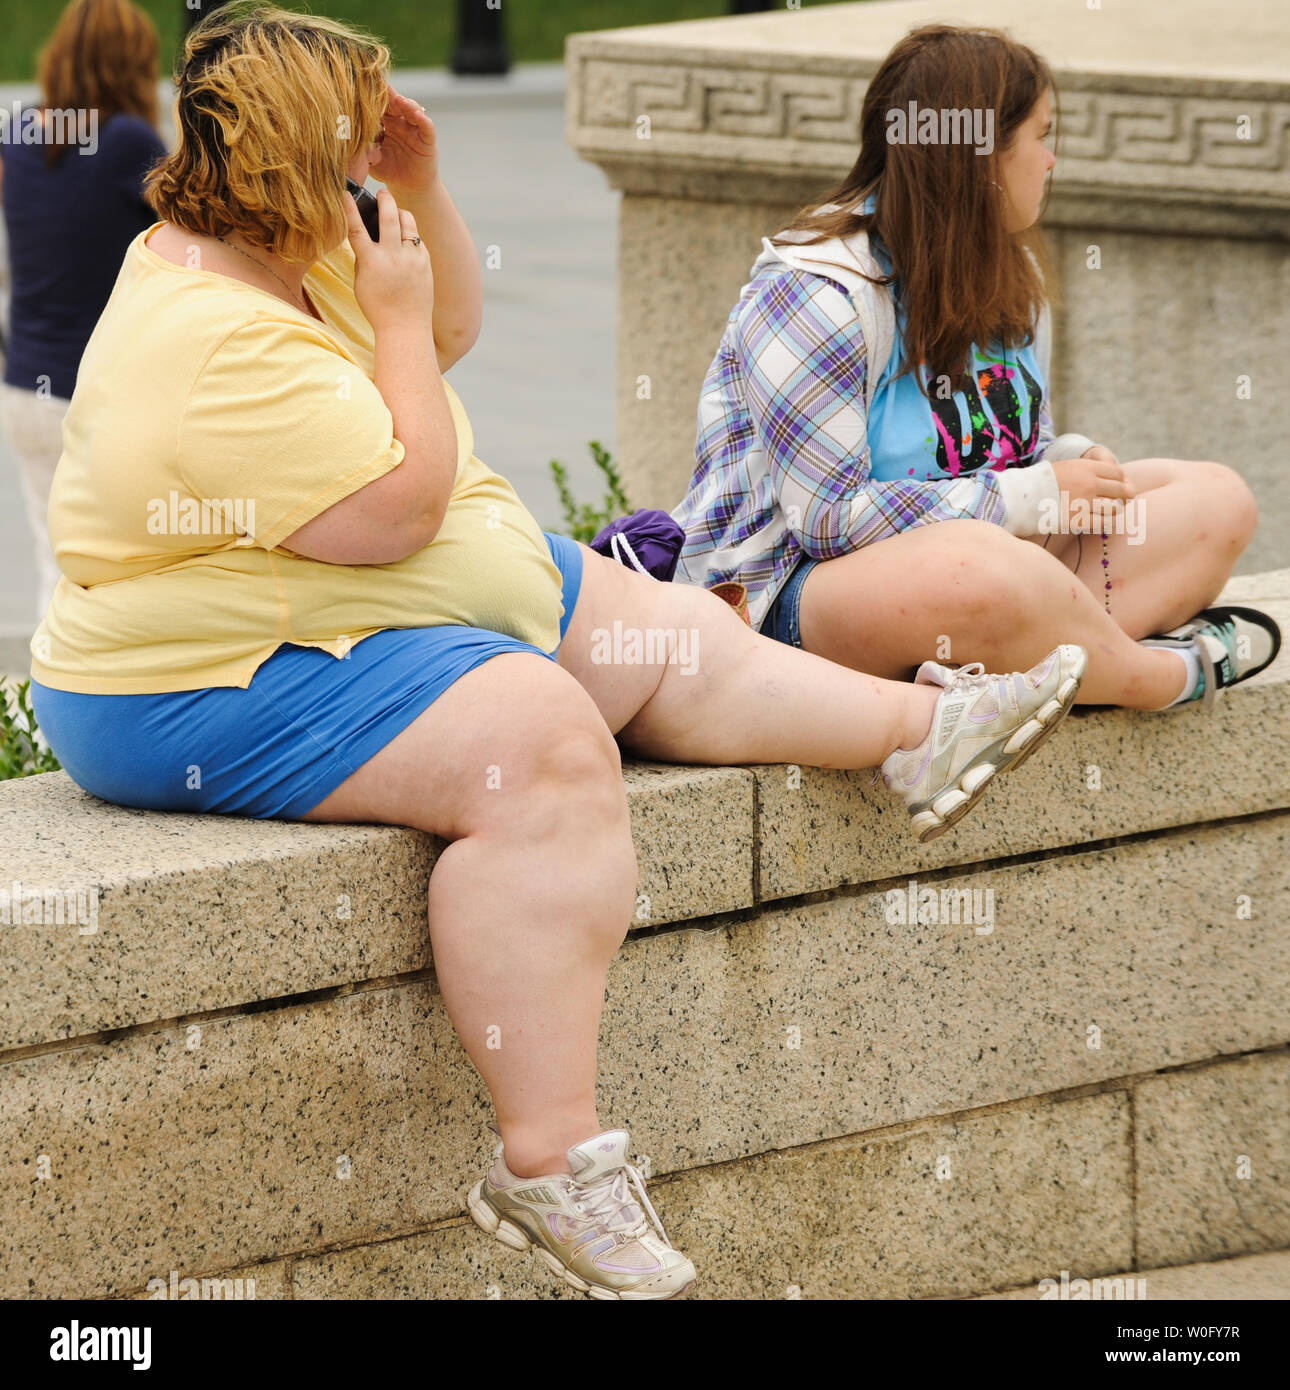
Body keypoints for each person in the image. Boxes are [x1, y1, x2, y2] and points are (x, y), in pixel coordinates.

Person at [27, 4, 1087, 1300]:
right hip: (196, 679)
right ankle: (551, 1161)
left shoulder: (267, 246)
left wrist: (420, 198)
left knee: (675, 630)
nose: (375, 166)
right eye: (359, 146)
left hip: (328, 604)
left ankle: (917, 738)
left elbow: (451, 333)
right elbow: (396, 513)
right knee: (539, 742)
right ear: (303, 158)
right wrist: (399, 322)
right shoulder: (212, 335)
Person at [672, 23, 1279, 713]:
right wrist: (1036, 495)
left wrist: (1075, 470)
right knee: (980, 571)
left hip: (983, 572)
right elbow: (828, 519)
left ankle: (1024, 666)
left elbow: (1008, 456)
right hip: (789, 605)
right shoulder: (815, 292)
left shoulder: (1009, 275)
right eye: (1041, 135)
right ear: (981, 154)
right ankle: (1153, 677)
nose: (1050, 162)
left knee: (1214, 500)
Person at [0, 0, 166, 621]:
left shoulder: (19, 133)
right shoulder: (128, 141)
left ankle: (44, 714)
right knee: (115, 572)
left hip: (25, 389)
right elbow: (199, 225)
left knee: (58, 567)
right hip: (97, 394)